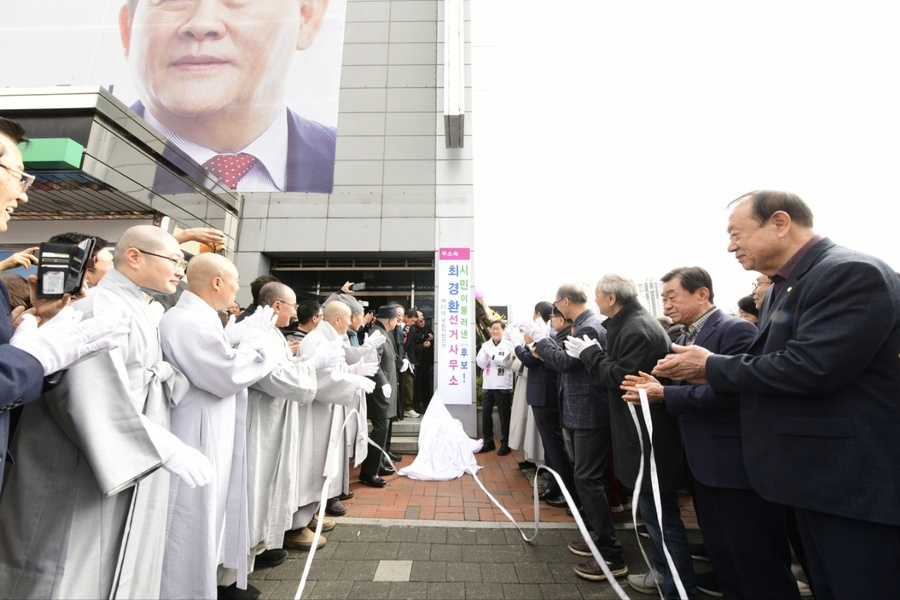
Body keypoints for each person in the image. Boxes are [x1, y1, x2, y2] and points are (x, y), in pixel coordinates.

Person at [652, 190, 900, 599]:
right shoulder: (788, 287)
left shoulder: (849, 272)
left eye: (737, 233)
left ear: (780, 223)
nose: (730, 245)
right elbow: (766, 362)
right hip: (811, 479)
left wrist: (709, 367)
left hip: (848, 483)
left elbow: (810, 367)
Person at [0, 224, 210, 599]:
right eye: (175, 260)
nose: (181, 271)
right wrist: (165, 447)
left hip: (122, 451)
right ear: (133, 257)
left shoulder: (140, 306)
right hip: (79, 459)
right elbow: (87, 393)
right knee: (64, 566)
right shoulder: (97, 304)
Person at [621, 267, 797, 599]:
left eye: (672, 296)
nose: (667, 305)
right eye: (663, 298)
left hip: (735, 468)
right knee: (724, 556)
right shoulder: (686, 337)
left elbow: (734, 392)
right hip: (703, 465)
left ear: (702, 294)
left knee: (757, 562)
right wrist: (658, 386)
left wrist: (665, 394)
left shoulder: (736, 331)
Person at [158, 253, 286, 600]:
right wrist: (259, 344)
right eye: (234, 283)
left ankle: (208, 583)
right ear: (216, 282)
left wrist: (237, 336)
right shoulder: (186, 320)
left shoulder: (200, 318)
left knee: (208, 514)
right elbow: (226, 374)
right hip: (196, 431)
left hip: (209, 425)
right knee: (191, 516)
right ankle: (187, 590)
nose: (236, 291)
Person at [118, 0, 336, 193]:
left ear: (306, 18)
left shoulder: (358, 167)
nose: (201, 24)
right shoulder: (88, 151)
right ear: (128, 27)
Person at [565, 275, 694, 599]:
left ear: (611, 297)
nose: (595, 303)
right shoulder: (630, 323)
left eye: (598, 297)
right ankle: (664, 574)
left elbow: (625, 379)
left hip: (645, 438)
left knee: (662, 521)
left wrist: (590, 354)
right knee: (654, 517)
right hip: (639, 435)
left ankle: (678, 588)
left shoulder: (635, 328)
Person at [217, 282, 338, 597]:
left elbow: (282, 370)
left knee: (265, 492)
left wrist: (303, 366)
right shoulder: (255, 333)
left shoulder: (270, 333)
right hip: (258, 426)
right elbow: (272, 378)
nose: (297, 311)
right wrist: (311, 365)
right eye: (293, 305)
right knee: (251, 492)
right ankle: (226, 578)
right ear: (275, 306)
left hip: (273, 423)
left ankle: (250, 557)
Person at [527, 284, 626, 582]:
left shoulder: (589, 328)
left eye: (558, 304)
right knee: (587, 476)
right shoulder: (584, 325)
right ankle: (597, 536)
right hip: (581, 412)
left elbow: (564, 364)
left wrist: (542, 341)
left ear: (565, 301)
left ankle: (611, 553)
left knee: (587, 478)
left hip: (589, 414)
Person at [515, 301, 572, 504]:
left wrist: (518, 346)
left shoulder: (549, 336)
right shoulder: (548, 335)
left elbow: (531, 360)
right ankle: (553, 485)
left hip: (545, 395)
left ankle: (563, 489)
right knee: (550, 444)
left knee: (554, 444)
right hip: (542, 394)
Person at [359, 305, 402, 487]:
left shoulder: (384, 332)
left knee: (384, 430)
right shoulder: (378, 334)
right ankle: (369, 472)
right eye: (396, 319)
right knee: (380, 430)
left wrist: (402, 362)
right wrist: (383, 382)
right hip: (379, 391)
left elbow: (389, 357)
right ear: (390, 320)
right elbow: (373, 361)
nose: (398, 322)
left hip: (387, 390)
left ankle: (379, 464)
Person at [476, 320, 516, 456]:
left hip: (503, 384)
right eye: (493, 329)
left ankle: (506, 444)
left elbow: (507, 362)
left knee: (504, 416)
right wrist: (488, 356)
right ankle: (488, 441)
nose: (494, 331)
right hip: (488, 384)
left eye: (497, 329)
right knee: (486, 415)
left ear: (503, 330)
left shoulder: (509, 345)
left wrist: (491, 355)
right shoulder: (486, 345)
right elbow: (480, 362)